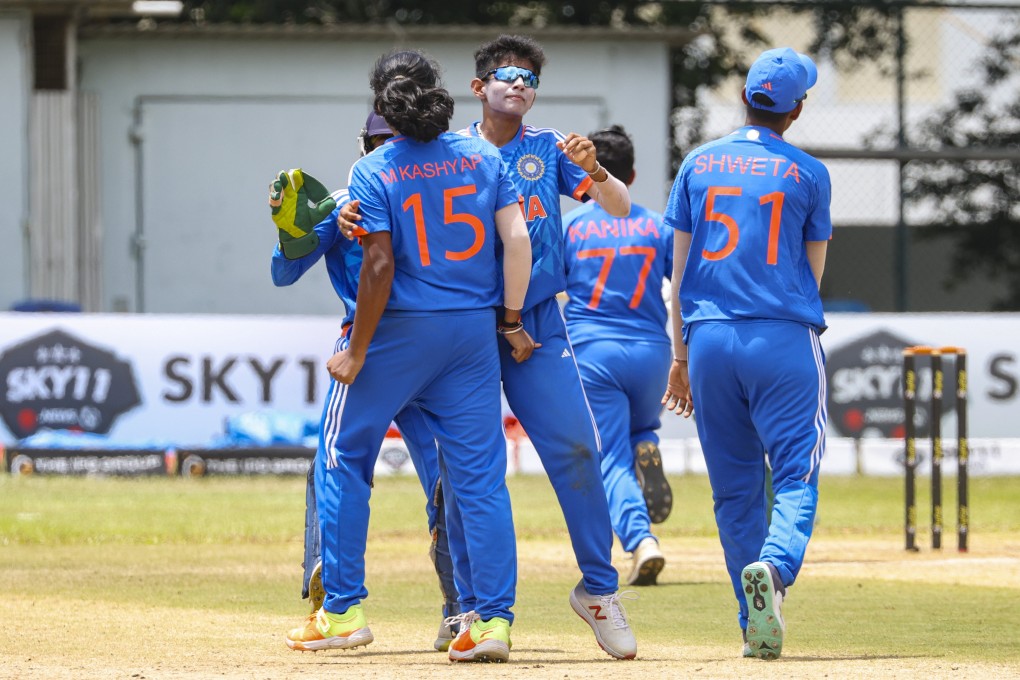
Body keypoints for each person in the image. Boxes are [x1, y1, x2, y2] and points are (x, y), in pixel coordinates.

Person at [338, 34, 640, 662]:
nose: (519, 84)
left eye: (529, 77)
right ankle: (466, 607)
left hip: (533, 326)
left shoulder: (549, 147)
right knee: (460, 478)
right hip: (467, 323)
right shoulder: (447, 147)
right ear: (477, 87)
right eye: (505, 74)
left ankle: (599, 589)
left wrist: (596, 170)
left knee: (577, 449)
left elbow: (619, 208)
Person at [286, 49, 535, 665]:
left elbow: (378, 264)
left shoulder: (373, 169)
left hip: (396, 333)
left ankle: (343, 610)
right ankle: (491, 623)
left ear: (382, 106)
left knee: (341, 457)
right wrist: (508, 321)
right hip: (472, 337)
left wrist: (358, 350)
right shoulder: (483, 157)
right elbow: (518, 240)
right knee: (479, 480)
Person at [267, 112, 461, 652]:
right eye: (380, 142)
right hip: (434, 349)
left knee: (339, 467)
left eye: (390, 141)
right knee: (450, 475)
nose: (385, 150)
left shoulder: (355, 198)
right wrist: (292, 230)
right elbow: (285, 271)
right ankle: (460, 606)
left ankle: (346, 604)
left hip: (372, 351)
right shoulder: (432, 190)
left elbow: (284, 276)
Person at [661, 47, 831, 661]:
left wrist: (678, 356)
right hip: (781, 337)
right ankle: (777, 569)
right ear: (798, 108)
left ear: (744, 97)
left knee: (734, 491)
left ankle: (751, 618)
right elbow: (813, 272)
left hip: (707, 342)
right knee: (795, 472)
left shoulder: (698, 163)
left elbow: (678, 273)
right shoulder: (809, 173)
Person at [562, 124, 674, 587]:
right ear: (632, 173)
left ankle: (640, 539)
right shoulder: (656, 225)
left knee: (609, 455)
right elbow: (683, 285)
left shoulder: (570, 227)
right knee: (639, 430)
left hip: (593, 351)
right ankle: (647, 443)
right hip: (653, 350)